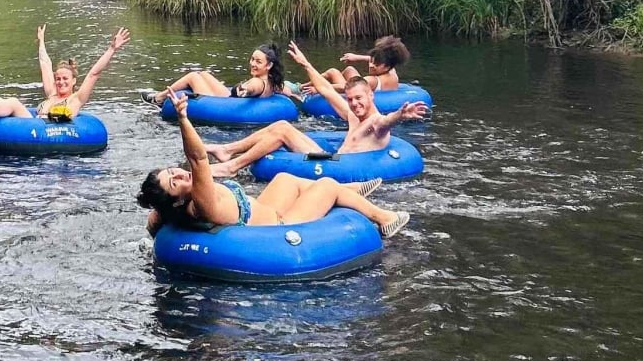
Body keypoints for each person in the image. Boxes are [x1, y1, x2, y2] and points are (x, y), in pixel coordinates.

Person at [137, 94, 409, 238]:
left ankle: (350, 190)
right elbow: (197, 159)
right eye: (175, 182)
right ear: (175, 201)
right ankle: (384, 219)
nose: (181, 174)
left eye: (173, 171)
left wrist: (152, 242)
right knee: (327, 185)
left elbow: (153, 222)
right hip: (278, 225)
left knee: (284, 177)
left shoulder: (165, 211)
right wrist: (184, 118)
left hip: (265, 209)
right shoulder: (200, 201)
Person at [0, 25, 131, 136]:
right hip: (33, 124)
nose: (60, 82)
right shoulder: (51, 93)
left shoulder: (77, 99)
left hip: (48, 130)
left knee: (12, 102)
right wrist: (42, 41)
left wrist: (112, 49)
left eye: (64, 79)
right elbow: (45, 63)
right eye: (58, 78)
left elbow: (94, 73)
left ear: (73, 82)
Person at [284, 41, 428, 154]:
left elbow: (386, 121)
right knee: (282, 128)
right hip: (332, 158)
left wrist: (400, 115)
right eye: (350, 99)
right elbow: (327, 90)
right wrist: (305, 64)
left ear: (370, 95)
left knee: (281, 130)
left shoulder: (375, 122)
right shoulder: (352, 116)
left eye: (358, 98)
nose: (354, 103)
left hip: (342, 169)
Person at [143, 43, 285, 105]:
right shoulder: (273, 81)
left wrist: (245, 90)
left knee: (193, 76)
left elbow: (253, 87)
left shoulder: (258, 82)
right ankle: (159, 97)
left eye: (258, 62)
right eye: (252, 59)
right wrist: (297, 92)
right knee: (204, 74)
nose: (253, 64)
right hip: (229, 99)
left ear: (269, 65)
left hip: (227, 104)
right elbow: (287, 90)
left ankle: (159, 98)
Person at [322, 35, 409, 92]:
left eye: (376, 64)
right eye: (371, 61)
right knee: (350, 70)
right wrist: (356, 57)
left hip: (354, 90)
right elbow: (376, 59)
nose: (371, 65)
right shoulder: (391, 70)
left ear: (387, 67)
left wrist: (320, 88)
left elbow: (346, 87)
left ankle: (308, 87)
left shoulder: (372, 80)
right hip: (374, 90)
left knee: (333, 72)